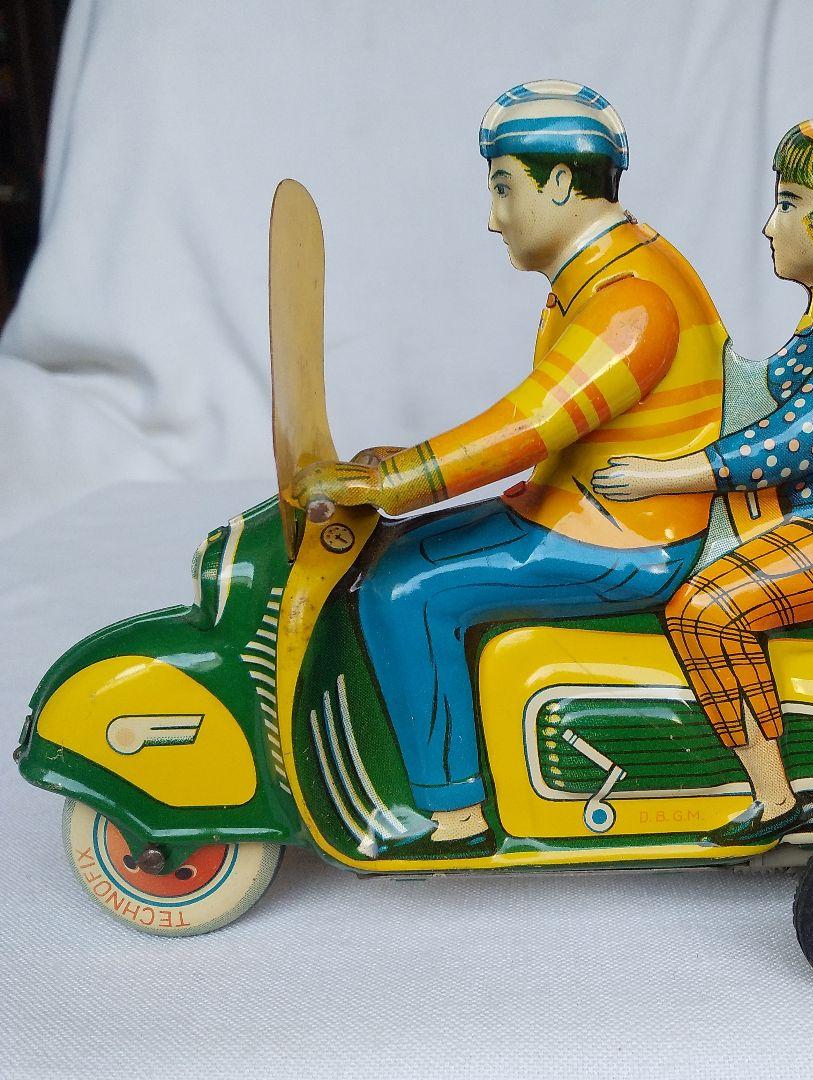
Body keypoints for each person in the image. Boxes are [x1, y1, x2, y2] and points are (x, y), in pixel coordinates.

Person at [296, 81, 735, 855]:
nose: (493, 216)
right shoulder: (608, 273)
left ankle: (452, 813)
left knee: (404, 590)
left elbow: (532, 423)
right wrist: (398, 475)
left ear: (559, 183)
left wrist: (395, 483)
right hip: (584, 513)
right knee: (393, 549)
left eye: (504, 188)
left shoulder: (631, 300)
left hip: (627, 539)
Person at [592, 117, 813, 844]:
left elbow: (790, 441)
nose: (769, 226)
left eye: (789, 204)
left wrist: (664, 477)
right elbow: (758, 385)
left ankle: (774, 799)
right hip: (812, 517)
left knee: (707, 608)